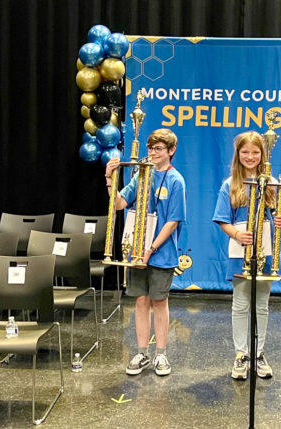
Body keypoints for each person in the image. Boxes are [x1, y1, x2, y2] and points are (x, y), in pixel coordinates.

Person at [105, 128, 186, 376]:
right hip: (137, 251)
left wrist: (151, 248)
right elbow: (118, 203)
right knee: (141, 301)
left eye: (159, 148)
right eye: (151, 148)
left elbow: (173, 221)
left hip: (160, 252)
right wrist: (110, 178)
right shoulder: (141, 176)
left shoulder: (176, 181)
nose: (153, 152)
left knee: (159, 302)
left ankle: (161, 354)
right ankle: (142, 352)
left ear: (171, 151)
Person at [212, 130, 281, 380]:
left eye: (255, 152)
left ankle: (259, 353)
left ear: (263, 154)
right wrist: (236, 233)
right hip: (239, 251)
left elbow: (279, 215)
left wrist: (280, 221)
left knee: (262, 304)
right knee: (241, 303)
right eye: (245, 152)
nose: (250, 156)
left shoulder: (272, 184)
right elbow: (222, 220)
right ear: (238, 154)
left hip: (266, 250)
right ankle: (241, 355)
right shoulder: (230, 184)